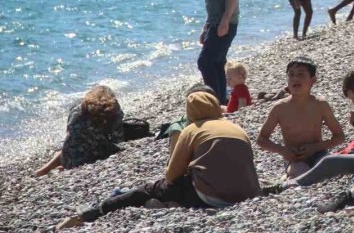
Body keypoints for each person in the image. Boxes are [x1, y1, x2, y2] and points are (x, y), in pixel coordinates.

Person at [56, 91, 260, 230]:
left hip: (214, 197)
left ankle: (92, 213)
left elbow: (171, 175)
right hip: (249, 193)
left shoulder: (192, 129)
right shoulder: (236, 128)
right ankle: (165, 203)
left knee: (149, 189)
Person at [256, 57, 345, 180]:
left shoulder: (320, 105)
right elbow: (261, 139)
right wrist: (282, 151)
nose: (295, 78)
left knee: (329, 172)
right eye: (291, 75)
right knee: (302, 174)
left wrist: (315, 147)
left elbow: (339, 136)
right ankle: (289, 174)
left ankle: (289, 176)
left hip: (318, 152)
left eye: (301, 74)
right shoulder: (280, 108)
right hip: (294, 157)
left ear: (313, 80)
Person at [34, 85, 124, 177]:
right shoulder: (113, 109)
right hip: (92, 156)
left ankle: (51, 167)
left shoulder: (78, 106)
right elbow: (117, 138)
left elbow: (69, 131)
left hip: (68, 157)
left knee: (73, 142)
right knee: (99, 144)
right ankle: (61, 167)